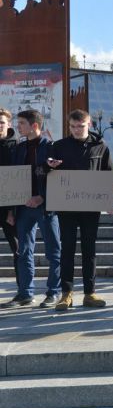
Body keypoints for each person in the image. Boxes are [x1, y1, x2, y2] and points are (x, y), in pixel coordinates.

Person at [48, 110, 113, 310]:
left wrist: (110, 201)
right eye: (74, 126)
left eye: (81, 126)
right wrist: (49, 166)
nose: (77, 130)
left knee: (89, 249)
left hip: (90, 207)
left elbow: (109, 175)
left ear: (89, 125)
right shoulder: (58, 146)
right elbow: (42, 171)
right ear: (69, 126)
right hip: (66, 207)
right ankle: (66, 293)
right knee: (67, 249)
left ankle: (90, 293)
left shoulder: (101, 147)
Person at [0, 110, 61, 309]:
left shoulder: (51, 147)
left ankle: (53, 292)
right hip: (23, 207)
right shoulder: (19, 149)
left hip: (45, 207)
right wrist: (11, 210)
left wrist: (41, 197)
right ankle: (25, 294)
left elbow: (59, 180)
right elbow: (14, 180)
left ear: (34, 125)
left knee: (53, 252)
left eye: (22, 123)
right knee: (23, 251)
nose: (18, 127)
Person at [0, 108, 19, 288]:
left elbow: (20, 180)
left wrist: (11, 211)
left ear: (8, 124)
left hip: (9, 208)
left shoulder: (17, 147)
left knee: (18, 250)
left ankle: (23, 290)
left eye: (1, 122)